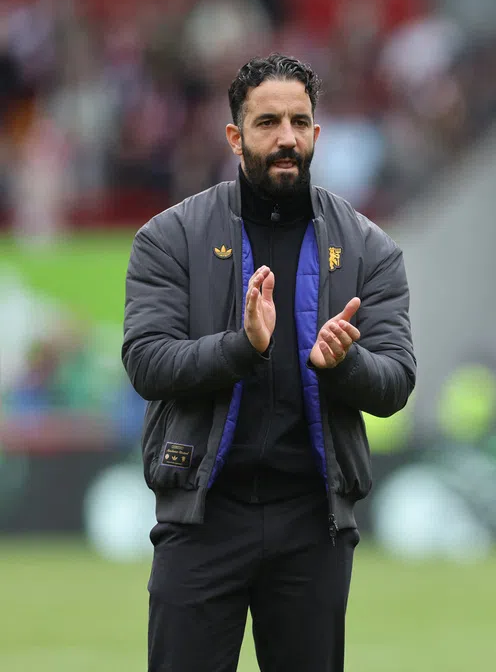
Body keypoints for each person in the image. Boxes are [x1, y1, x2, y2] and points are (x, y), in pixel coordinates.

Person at [121, 53, 416, 672]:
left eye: (299, 122)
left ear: (317, 132)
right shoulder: (168, 237)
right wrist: (242, 348)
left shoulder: (370, 249)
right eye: (267, 122)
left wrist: (343, 363)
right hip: (203, 516)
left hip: (313, 520)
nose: (286, 138)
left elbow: (395, 381)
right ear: (235, 136)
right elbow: (146, 362)